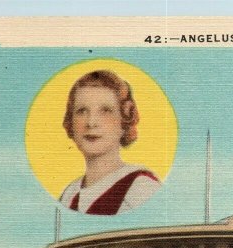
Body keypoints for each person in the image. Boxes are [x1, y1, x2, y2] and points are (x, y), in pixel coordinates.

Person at [59, 70, 161, 215]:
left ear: (124, 120)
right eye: (82, 111)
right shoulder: (70, 193)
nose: (91, 122)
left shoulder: (141, 186)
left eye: (105, 111)